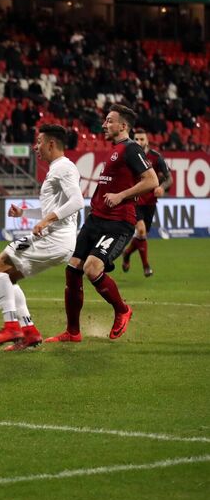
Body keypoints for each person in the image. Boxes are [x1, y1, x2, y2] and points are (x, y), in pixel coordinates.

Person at [46, 104, 159, 343]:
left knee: (92, 268)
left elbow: (152, 180)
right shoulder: (115, 149)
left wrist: (121, 196)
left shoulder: (131, 148)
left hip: (118, 223)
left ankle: (122, 310)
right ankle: (73, 332)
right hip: (97, 219)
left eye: (109, 121)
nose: (104, 124)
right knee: (73, 269)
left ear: (123, 126)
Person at [0, 125, 84, 351]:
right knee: (7, 278)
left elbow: (77, 201)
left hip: (54, 237)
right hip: (59, 239)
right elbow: (57, 207)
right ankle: (29, 331)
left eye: (38, 142)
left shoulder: (64, 168)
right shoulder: (58, 168)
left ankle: (11, 326)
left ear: (51, 144)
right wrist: (25, 214)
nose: (35, 147)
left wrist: (47, 221)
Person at [121, 129, 172, 277]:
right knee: (141, 231)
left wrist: (162, 187)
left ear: (147, 141)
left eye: (142, 139)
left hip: (150, 202)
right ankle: (146, 266)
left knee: (141, 237)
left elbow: (169, 178)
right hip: (135, 200)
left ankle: (127, 254)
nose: (139, 142)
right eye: (136, 139)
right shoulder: (130, 155)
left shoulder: (156, 157)